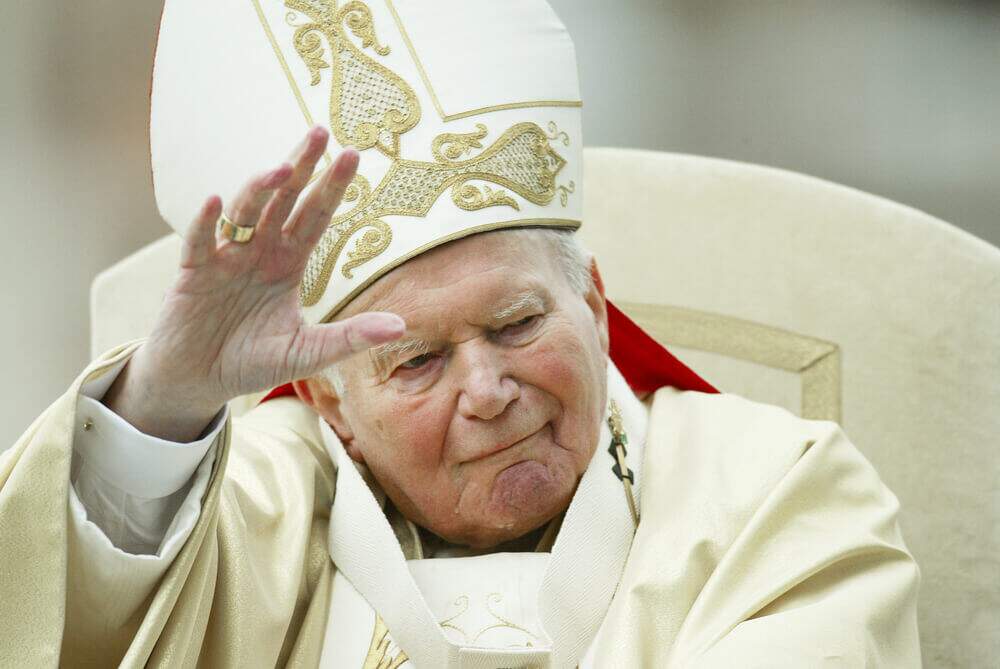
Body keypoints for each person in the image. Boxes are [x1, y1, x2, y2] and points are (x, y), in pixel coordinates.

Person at [0, 1, 921, 667]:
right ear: (331, 405)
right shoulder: (263, 506)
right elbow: (76, 615)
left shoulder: (774, 491)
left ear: (596, 308)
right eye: (417, 360)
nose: (486, 389)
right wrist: (163, 399)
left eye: (517, 323)